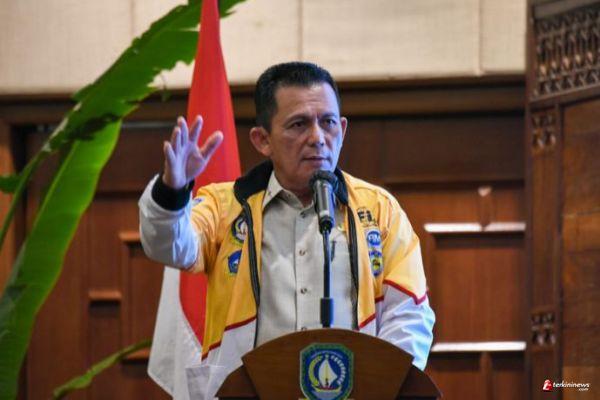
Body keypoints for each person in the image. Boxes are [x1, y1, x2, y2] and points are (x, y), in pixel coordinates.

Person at [139, 62, 435, 399]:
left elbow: (408, 313)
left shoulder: (380, 211)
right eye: (299, 124)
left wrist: (382, 387)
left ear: (343, 129)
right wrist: (172, 191)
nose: (317, 138)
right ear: (262, 140)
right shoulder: (225, 206)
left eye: (328, 122)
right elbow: (168, 247)